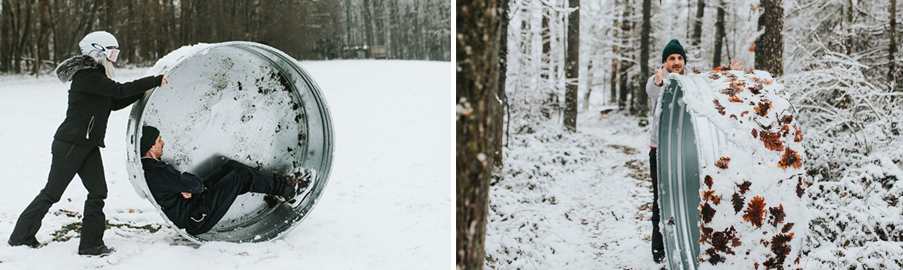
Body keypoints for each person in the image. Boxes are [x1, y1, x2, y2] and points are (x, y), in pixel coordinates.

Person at [7, 31, 169, 256]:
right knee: (52, 193)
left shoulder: (96, 77)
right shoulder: (87, 76)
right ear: (97, 51)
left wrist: (144, 91)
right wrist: (152, 80)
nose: (114, 57)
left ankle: (91, 245)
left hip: (87, 144)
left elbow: (113, 102)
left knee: (98, 191)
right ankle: (20, 237)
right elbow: (119, 90)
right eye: (111, 52)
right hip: (71, 143)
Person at [645, 39, 742, 263]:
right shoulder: (659, 80)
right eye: (672, 59)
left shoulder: (691, 80)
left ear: (684, 60)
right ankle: (659, 250)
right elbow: (652, 87)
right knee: (660, 199)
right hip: (659, 150)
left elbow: (709, 83)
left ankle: (686, 241)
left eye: (679, 58)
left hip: (684, 149)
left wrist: (728, 72)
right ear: (665, 62)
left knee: (688, 194)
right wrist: (658, 80)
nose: (676, 62)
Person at [139, 126, 312, 235]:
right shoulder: (158, 171)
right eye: (159, 140)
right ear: (151, 147)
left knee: (232, 167)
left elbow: (191, 186)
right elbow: (196, 184)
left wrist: (187, 188)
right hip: (196, 216)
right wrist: (189, 187)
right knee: (240, 176)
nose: (163, 142)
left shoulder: (153, 167)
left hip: (195, 203)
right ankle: (289, 191)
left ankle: (283, 187)